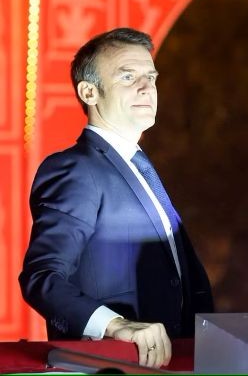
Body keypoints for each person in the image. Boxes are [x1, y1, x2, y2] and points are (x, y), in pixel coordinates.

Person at [19, 28, 213, 368]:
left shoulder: (139, 167)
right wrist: (116, 325)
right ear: (89, 91)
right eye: (128, 77)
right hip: (112, 364)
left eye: (150, 77)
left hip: (176, 359)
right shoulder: (76, 169)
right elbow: (43, 278)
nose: (146, 87)